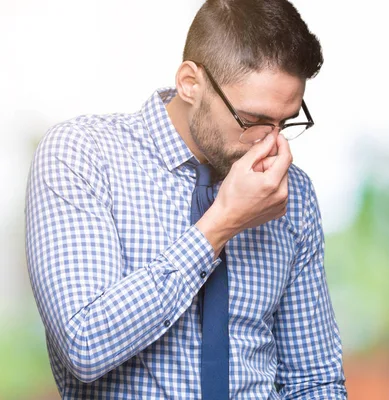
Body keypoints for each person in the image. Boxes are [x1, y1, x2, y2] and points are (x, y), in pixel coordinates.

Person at [25, 0, 347, 398]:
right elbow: (85, 344)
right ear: (190, 83)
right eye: (252, 120)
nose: (271, 142)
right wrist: (222, 223)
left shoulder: (290, 191)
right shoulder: (82, 155)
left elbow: (315, 380)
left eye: (286, 121)